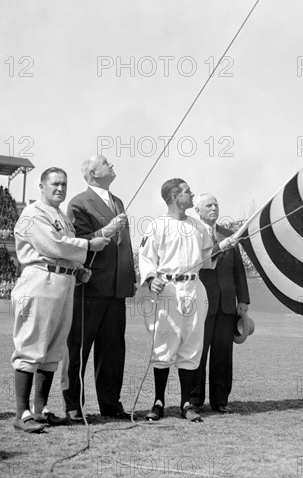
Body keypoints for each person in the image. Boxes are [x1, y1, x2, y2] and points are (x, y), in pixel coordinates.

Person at [11, 167, 109, 433]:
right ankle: (22, 413)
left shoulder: (62, 217)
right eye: (54, 184)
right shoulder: (32, 213)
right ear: (41, 187)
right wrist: (88, 246)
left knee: (53, 348)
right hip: (40, 280)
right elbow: (52, 245)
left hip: (64, 281)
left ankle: (40, 410)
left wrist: (77, 269)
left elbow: (64, 251)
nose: (60, 189)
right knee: (31, 345)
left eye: (64, 184)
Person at [139, 179, 234, 422]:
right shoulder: (157, 226)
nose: (191, 195)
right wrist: (151, 279)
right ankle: (159, 402)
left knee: (192, 346)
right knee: (164, 345)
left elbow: (205, 260)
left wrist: (219, 248)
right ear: (173, 196)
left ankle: (186, 404)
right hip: (168, 289)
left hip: (194, 288)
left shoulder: (198, 227)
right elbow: (147, 258)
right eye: (186, 192)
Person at [62, 156, 136, 423]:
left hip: (116, 290)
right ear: (93, 172)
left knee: (113, 351)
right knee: (78, 349)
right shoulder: (78, 203)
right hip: (90, 287)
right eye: (106, 162)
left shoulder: (117, 202)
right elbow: (74, 243)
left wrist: (130, 278)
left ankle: (110, 403)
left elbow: (125, 246)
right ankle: (73, 405)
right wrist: (105, 230)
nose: (112, 164)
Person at [190, 193, 250, 414]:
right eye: (209, 205)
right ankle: (194, 399)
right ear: (197, 210)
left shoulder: (229, 235)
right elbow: (196, 263)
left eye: (216, 204)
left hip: (226, 304)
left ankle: (220, 399)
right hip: (202, 303)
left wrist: (242, 300)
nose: (214, 208)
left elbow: (238, 270)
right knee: (198, 352)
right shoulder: (191, 233)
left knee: (223, 354)